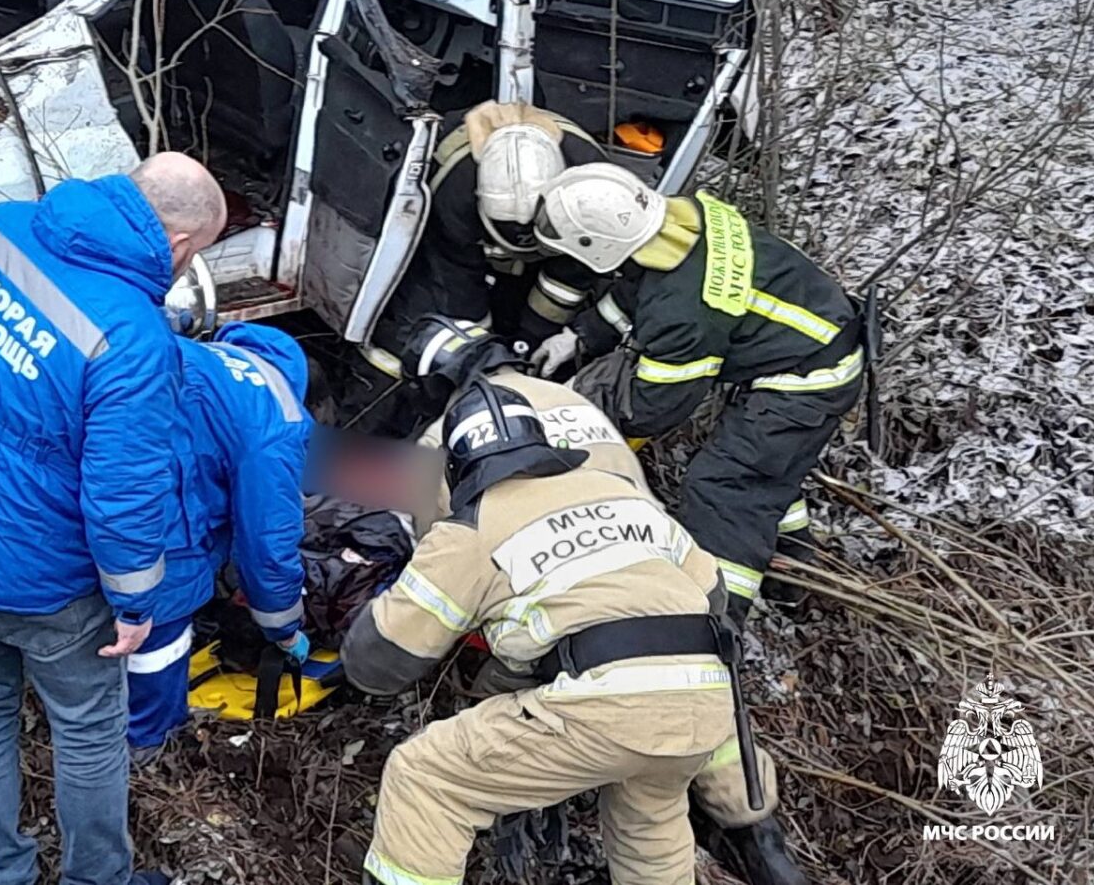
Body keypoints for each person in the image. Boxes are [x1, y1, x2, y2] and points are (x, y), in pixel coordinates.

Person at [405, 316, 808, 885]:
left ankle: (518, 814)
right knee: (687, 738)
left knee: (488, 716)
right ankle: (763, 846)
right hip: (671, 593)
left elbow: (446, 567)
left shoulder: (445, 440)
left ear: (434, 385)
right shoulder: (576, 404)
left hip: (575, 634)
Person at [341, 380, 741, 885]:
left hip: (608, 705)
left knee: (427, 776)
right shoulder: (621, 495)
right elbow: (715, 597)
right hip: (703, 705)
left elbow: (381, 661)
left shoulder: (472, 528)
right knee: (650, 822)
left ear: (458, 468)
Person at [0, 154, 226, 885]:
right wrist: (135, 602)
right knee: (88, 735)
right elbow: (124, 494)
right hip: (48, 582)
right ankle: (97, 878)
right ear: (180, 247)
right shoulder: (132, 338)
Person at [531, 162, 864, 621]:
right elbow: (637, 289)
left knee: (725, 486)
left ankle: (715, 619)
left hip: (806, 380)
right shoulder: (682, 222)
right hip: (812, 345)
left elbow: (655, 406)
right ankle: (794, 574)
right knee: (767, 473)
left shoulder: (684, 312)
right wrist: (580, 336)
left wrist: (578, 405)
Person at [348, 101, 605, 437]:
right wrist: (478, 355)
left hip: (563, 237)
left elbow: (575, 270)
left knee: (529, 317)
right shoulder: (454, 191)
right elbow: (456, 280)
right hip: (457, 250)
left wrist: (533, 337)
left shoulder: (591, 180)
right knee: (418, 327)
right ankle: (375, 425)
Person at [126, 322, 313, 753]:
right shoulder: (278, 417)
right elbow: (269, 542)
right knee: (156, 650)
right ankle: (146, 755)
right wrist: (283, 628)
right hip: (160, 537)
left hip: (83, 508)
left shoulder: (199, 354)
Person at [403, 313, 653, 534]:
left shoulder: (445, 435)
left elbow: (436, 534)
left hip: (560, 557)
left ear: (433, 387)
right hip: (653, 534)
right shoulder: (570, 397)